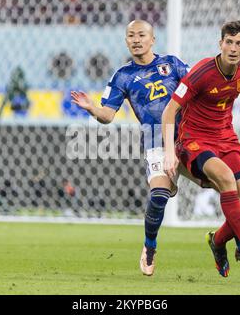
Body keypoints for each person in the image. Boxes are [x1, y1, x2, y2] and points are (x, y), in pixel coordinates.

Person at [162, 20, 240, 277]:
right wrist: (169, 152)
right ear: (221, 44)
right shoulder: (201, 72)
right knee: (227, 179)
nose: (233, 47)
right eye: (228, 42)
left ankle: (218, 241)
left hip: (227, 139)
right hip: (195, 140)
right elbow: (170, 110)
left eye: (238, 43)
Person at [71, 20, 191, 276]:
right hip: (156, 140)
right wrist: (92, 108)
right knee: (158, 196)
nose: (136, 39)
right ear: (126, 41)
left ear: (152, 39)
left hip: (189, 139)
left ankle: (232, 241)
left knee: (225, 185)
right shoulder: (122, 76)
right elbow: (107, 115)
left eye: (141, 35)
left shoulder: (173, 64)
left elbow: (197, 87)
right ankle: (149, 246)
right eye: (130, 36)